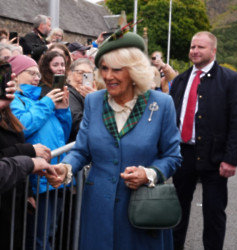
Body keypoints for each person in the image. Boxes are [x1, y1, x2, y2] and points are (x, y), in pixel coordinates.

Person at [47, 31, 182, 250]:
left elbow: (172, 156)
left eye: (117, 69)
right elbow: (82, 150)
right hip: (98, 210)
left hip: (142, 213)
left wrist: (149, 173)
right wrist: (66, 168)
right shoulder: (93, 101)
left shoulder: (161, 104)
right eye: (104, 68)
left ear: (135, 71)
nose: (108, 76)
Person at [169, 31, 237, 250]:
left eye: (200, 47)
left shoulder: (230, 79)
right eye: (193, 47)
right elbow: (172, 118)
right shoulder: (181, 80)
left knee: (213, 214)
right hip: (182, 154)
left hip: (215, 158)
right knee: (177, 213)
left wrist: (231, 159)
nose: (195, 51)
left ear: (213, 51)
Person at [8, 54, 71, 250]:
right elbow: (23, 126)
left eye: (37, 73)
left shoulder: (40, 99)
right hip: (38, 179)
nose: (37, 77)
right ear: (15, 75)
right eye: (31, 73)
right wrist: (48, 104)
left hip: (54, 176)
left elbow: (62, 135)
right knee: (39, 238)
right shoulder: (14, 100)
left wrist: (62, 110)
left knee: (50, 233)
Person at [66, 58, 95, 142]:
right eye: (80, 73)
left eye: (88, 75)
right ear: (69, 73)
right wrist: (94, 101)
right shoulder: (68, 93)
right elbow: (78, 125)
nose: (83, 79)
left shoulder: (87, 95)